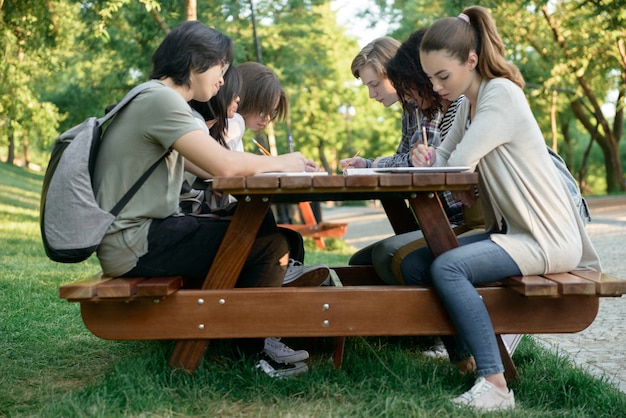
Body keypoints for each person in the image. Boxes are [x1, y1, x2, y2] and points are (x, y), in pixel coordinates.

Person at [92, 21, 322, 378]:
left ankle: (261, 330)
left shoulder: (156, 98)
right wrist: (284, 161)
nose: (223, 80)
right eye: (221, 67)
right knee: (269, 246)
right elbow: (224, 163)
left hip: (139, 235)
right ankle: (253, 355)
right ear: (195, 61)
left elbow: (211, 171)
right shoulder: (160, 100)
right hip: (134, 243)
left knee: (261, 231)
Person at [402, 6, 601, 411]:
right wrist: (425, 157)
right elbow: (443, 161)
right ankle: (465, 360)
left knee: (448, 267)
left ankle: (494, 385)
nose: (437, 86)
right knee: (418, 264)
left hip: (546, 236)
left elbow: (460, 164)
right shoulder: (469, 102)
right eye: (431, 78)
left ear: (471, 61)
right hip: (514, 232)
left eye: (444, 76)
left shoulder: (501, 94)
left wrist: (440, 162)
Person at [340, 35, 465, 289]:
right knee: (360, 263)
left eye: (374, 84)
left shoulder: (427, 102)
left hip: (455, 216)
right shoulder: (412, 106)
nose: (371, 95)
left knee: (381, 258)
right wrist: (374, 164)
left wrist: (375, 164)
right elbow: (405, 159)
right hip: (445, 214)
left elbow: (419, 164)